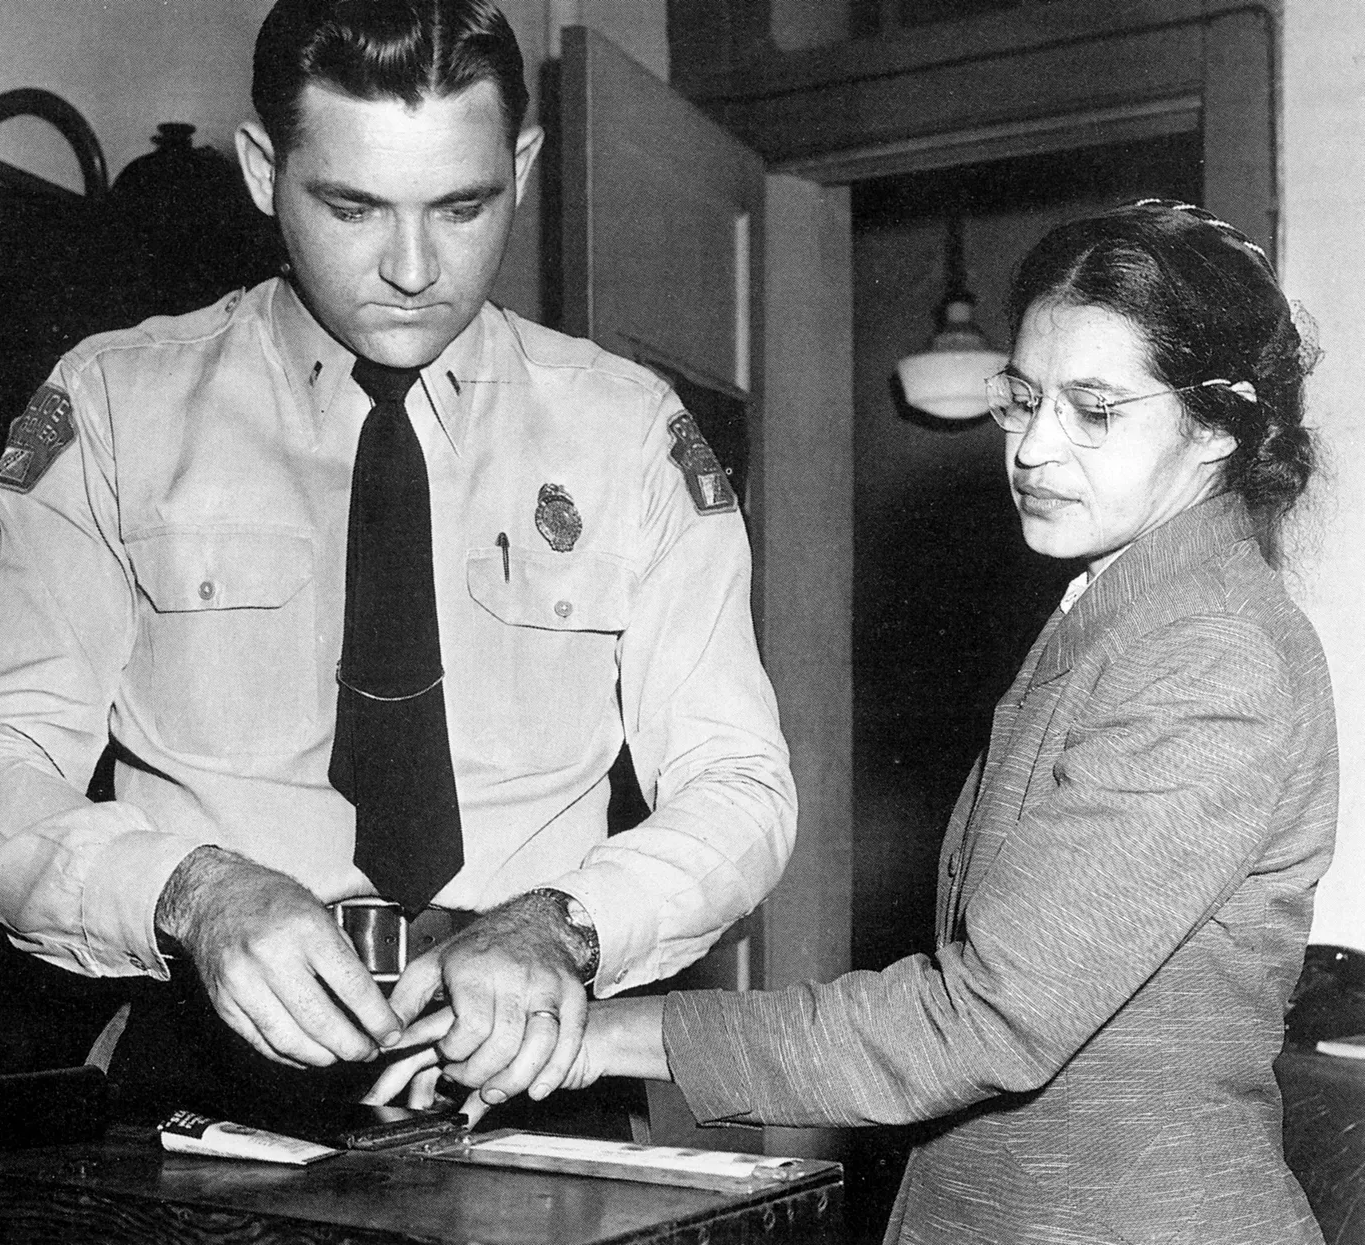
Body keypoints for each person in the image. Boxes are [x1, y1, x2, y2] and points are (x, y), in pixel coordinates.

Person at [375, 201, 1337, 1242]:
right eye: (1023, 402)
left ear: (1220, 422)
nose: (1033, 449)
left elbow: (983, 1021)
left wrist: (592, 1036)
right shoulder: (1128, 613)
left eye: (1094, 410)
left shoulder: (1213, 653)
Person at [0, 0, 794, 1114]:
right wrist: (193, 893)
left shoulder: (630, 434)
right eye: (354, 206)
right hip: (202, 1081)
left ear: (521, 164)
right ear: (263, 168)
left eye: (464, 206)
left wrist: (567, 923)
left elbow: (740, 786)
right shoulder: (113, 406)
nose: (414, 269)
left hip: (526, 1070)